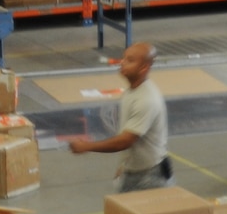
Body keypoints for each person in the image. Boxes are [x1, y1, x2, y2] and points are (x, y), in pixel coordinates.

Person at [69, 41, 171, 192]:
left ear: (144, 68)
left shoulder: (146, 99)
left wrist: (87, 146)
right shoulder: (132, 90)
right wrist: (125, 167)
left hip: (150, 178)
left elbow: (125, 141)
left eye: (130, 61)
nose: (122, 63)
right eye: (123, 58)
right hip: (134, 172)